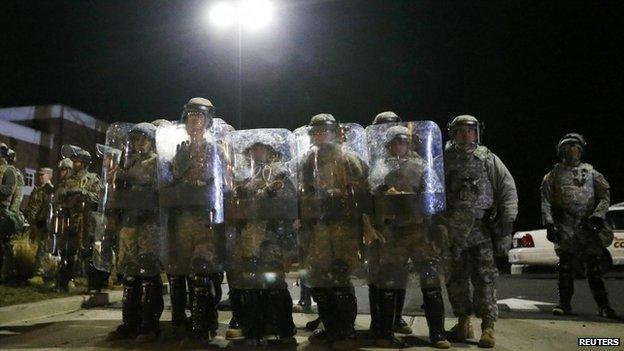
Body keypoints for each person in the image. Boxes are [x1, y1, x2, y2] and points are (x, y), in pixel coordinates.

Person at [366, 124, 450, 348]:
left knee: (430, 280)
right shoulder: (380, 167)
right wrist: (383, 191)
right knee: (389, 282)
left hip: (418, 230)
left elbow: (434, 197)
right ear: (388, 145)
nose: (398, 146)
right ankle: (385, 332)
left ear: (409, 144)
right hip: (392, 232)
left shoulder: (421, 166)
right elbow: (371, 194)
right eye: (394, 142)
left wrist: (434, 227)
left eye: (402, 142)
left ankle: (438, 334)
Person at [443, 115, 517, 348]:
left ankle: (488, 327)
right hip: (453, 232)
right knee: (455, 280)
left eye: (470, 130)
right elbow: (433, 191)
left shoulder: (488, 159)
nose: (465, 134)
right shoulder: (444, 160)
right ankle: (463, 322)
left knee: (485, 279)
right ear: (453, 133)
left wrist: (507, 220)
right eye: (461, 130)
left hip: (481, 230)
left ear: (477, 133)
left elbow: (507, 188)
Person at [158, 98, 227, 346]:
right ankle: (197, 322)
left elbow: (220, 182)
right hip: (183, 218)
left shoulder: (215, 148)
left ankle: (202, 327)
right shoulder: (180, 149)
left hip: (205, 220)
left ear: (207, 121)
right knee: (185, 273)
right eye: (190, 115)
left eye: (199, 116)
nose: (194, 120)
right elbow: (170, 181)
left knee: (202, 273)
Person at [297, 114, 369, 349]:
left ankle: (346, 332)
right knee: (319, 278)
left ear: (335, 133)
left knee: (340, 276)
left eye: (324, 131)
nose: (320, 135)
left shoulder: (349, 158)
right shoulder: (307, 160)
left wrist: (343, 192)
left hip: (343, 227)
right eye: (316, 131)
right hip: (317, 226)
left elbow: (363, 190)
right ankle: (330, 329)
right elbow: (301, 190)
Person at [226, 131, 298, 345]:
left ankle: (284, 330)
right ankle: (255, 329)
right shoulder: (249, 172)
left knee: (273, 283)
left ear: (269, 151)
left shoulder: (278, 172)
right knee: (251, 285)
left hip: (269, 235)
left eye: (260, 149)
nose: (256, 153)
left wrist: (267, 196)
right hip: (249, 235)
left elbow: (288, 202)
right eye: (253, 149)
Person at [541, 133, 617, 319]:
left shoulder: (592, 174)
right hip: (565, 227)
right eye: (566, 146)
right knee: (565, 269)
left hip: (588, 228)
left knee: (594, 270)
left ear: (581, 150)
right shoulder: (552, 176)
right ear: (560, 151)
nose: (571, 149)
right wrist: (549, 224)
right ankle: (564, 304)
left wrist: (598, 216)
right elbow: (546, 202)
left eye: (574, 146)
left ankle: (604, 306)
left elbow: (605, 197)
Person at [105, 122, 164, 342]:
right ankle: (130, 323)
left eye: (144, 139)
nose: (140, 143)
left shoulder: (157, 162)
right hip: (129, 222)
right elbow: (117, 193)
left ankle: (149, 326)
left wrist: (125, 176)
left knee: (148, 272)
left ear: (151, 141)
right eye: (137, 139)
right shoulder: (128, 163)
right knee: (130, 274)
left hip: (149, 224)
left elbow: (156, 185)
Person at [56, 145, 105, 293]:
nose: (74, 163)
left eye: (77, 161)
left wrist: (83, 191)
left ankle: (94, 286)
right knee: (66, 251)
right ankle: (63, 284)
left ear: (84, 163)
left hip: (86, 220)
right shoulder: (67, 180)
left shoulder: (92, 179)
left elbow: (99, 198)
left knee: (88, 252)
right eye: (74, 160)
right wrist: (62, 193)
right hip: (70, 218)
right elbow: (59, 196)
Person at [0, 143, 26, 281]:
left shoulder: (10, 172)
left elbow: (12, 192)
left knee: (5, 244)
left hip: (4, 212)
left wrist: (12, 213)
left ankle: (7, 272)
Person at [25, 168, 55, 284]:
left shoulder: (49, 190)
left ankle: (40, 274)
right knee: (36, 247)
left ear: (49, 176)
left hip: (42, 223)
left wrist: (44, 222)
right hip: (34, 223)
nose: (41, 177)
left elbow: (48, 208)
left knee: (42, 249)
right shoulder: (38, 189)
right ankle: (39, 272)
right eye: (40, 175)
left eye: (43, 175)